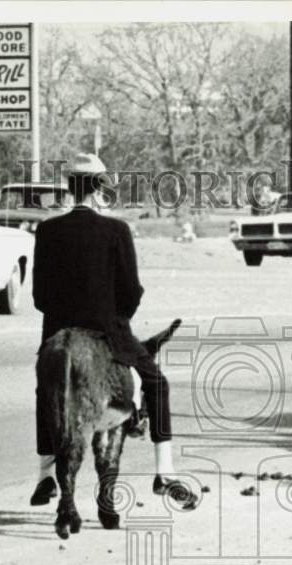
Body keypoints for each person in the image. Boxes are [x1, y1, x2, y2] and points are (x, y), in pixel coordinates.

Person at [30, 153, 197, 508]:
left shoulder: (46, 229)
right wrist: (118, 320)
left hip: (58, 332)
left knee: (46, 390)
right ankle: (164, 471)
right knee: (156, 383)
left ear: (70, 187)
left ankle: (45, 475)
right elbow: (131, 291)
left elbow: (40, 296)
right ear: (100, 187)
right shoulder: (116, 230)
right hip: (108, 331)